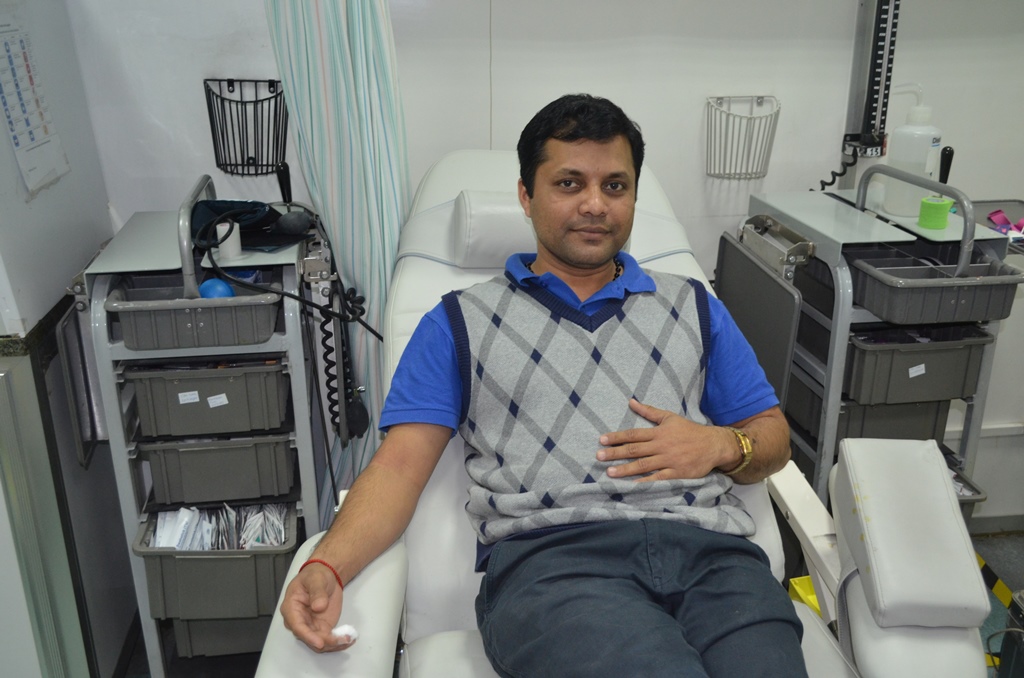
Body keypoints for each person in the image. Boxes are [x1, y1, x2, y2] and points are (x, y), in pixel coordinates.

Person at [281, 93, 807, 677]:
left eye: (615, 186)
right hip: (557, 569)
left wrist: (723, 445)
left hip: (718, 565)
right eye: (568, 183)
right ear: (526, 197)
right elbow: (398, 469)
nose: (594, 204)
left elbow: (773, 436)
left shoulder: (695, 306)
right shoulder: (458, 323)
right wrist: (326, 565)